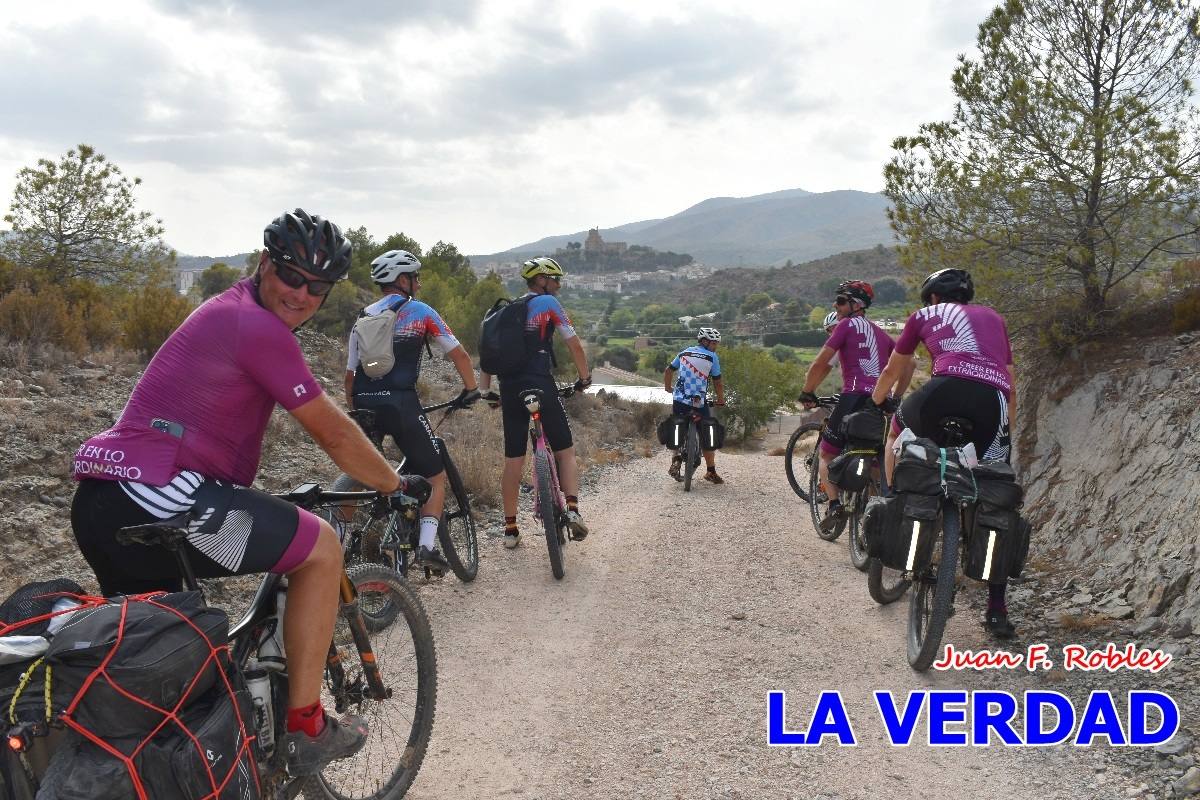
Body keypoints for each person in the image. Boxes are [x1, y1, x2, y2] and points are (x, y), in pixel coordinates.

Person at [70, 209, 424, 775]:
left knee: (162, 663)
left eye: (318, 286)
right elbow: (332, 432)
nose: (302, 293)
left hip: (106, 501)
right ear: (264, 265)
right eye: (291, 276)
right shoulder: (257, 327)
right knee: (321, 546)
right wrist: (394, 483)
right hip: (159, 498)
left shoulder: (230, 311)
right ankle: (305, 727)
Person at [869, 267, 1018, 639]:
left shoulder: (923, 316)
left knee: (895, 435)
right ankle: (997, 610)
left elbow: (893, 368)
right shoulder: (995, 318)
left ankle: (893, 500)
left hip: (942, 392)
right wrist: (1006, 432)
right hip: (992, 402)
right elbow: (1011, 384)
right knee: (993, 497)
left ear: (933, 298)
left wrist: (877, 399)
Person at [344, 249, 481, 573]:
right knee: (433, 475)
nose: (418, 283)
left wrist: (358, 410)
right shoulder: (418, 311)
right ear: (402, 280)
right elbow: (459, 353)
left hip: (364, 402)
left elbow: (350, 375)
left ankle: (340, 535)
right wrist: (472, 389)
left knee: (362, 475)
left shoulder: (362, 318)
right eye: (415, 277)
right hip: (400, 403)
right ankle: (426, 547)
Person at [479, 257, 592, 549]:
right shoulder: (548, 305)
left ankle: (510, 528)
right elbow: (574, 344)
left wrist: (485, 391)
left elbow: (489, 354)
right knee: (565, 451)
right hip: (540, 383)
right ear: (541, 280)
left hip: (508, 387)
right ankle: (573, 509)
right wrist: (584, 378)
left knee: (513, 461)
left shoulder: (502, 312)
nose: (557, 286)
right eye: (555, 280)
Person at [798, 280, 895, 533]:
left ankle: (833, 505)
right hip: (882, 403)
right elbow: (907, 365)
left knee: (827, 455)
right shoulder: (883, 334)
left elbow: (821, 364)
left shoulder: (845, 326)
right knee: (875, 458)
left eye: (840, 301)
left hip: (854, 396)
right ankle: (875, 508)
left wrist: (807, 391)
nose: (835, 305)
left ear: (856, 304)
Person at [663, 328, 726, 483]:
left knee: (677, 426)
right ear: (704, 341)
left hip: (679, 399)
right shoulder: (712, 357)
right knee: (707, 434)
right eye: (713, 342)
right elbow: (717, 382)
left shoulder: (684, 353)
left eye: (716, 343)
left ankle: (676, 456)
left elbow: (668, 371)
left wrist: (668, 388)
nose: (715, 345)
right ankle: (711, 472)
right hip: (698, 402)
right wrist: (720, 399)